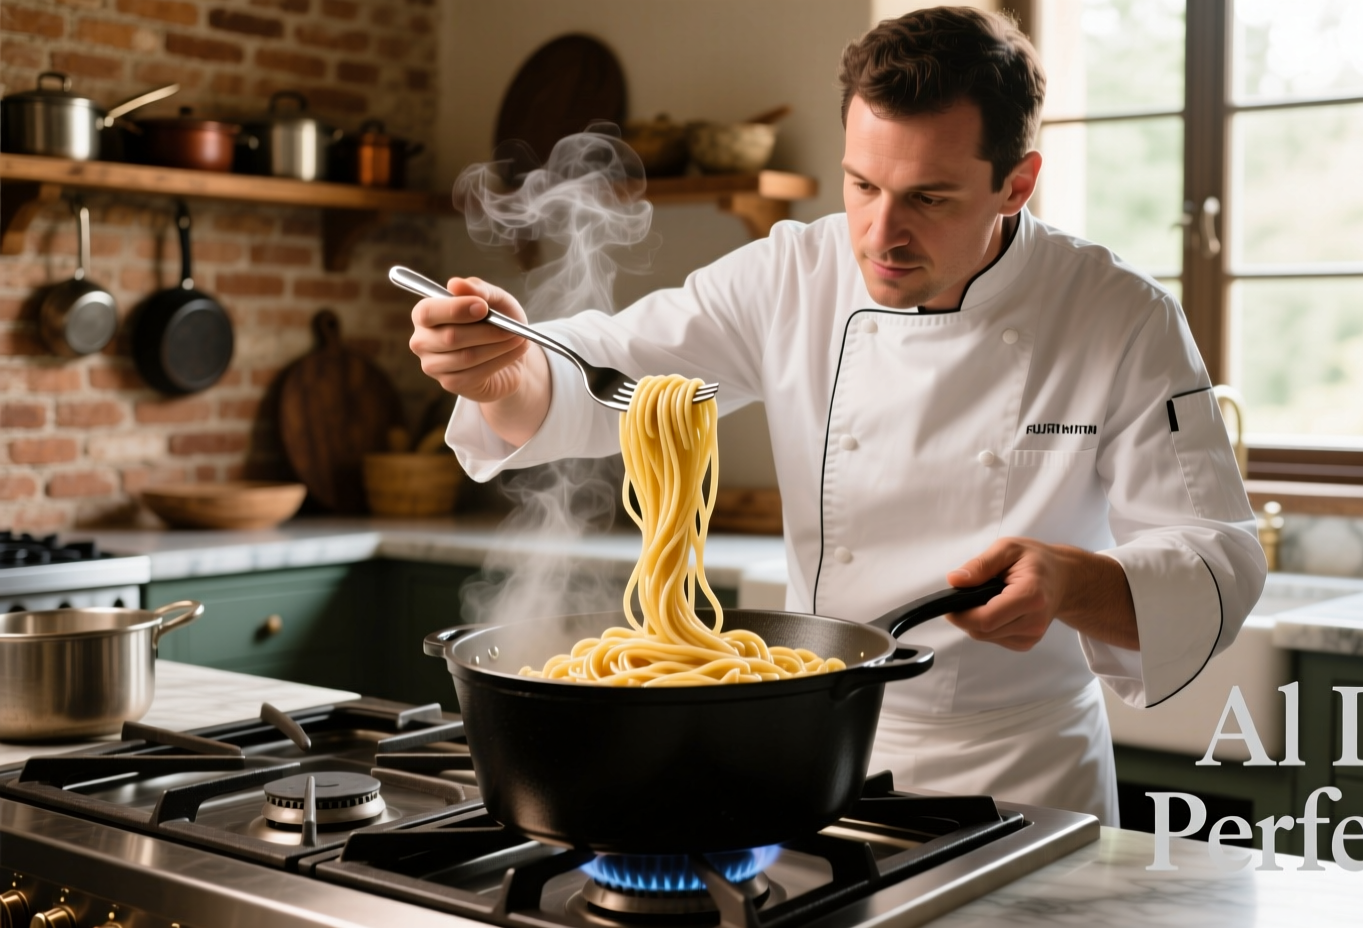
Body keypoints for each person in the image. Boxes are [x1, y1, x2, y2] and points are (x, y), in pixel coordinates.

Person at [409, 6, 1265, 824]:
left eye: (930, 199)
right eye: (862, 184)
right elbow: (606, 378)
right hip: (813, 759)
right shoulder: (792, 274)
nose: (879, 236)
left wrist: (1079, 583)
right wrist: (502, 371)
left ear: (1018, 184)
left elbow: (1219, 557)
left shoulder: (1120, 315)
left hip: (1024, 773)